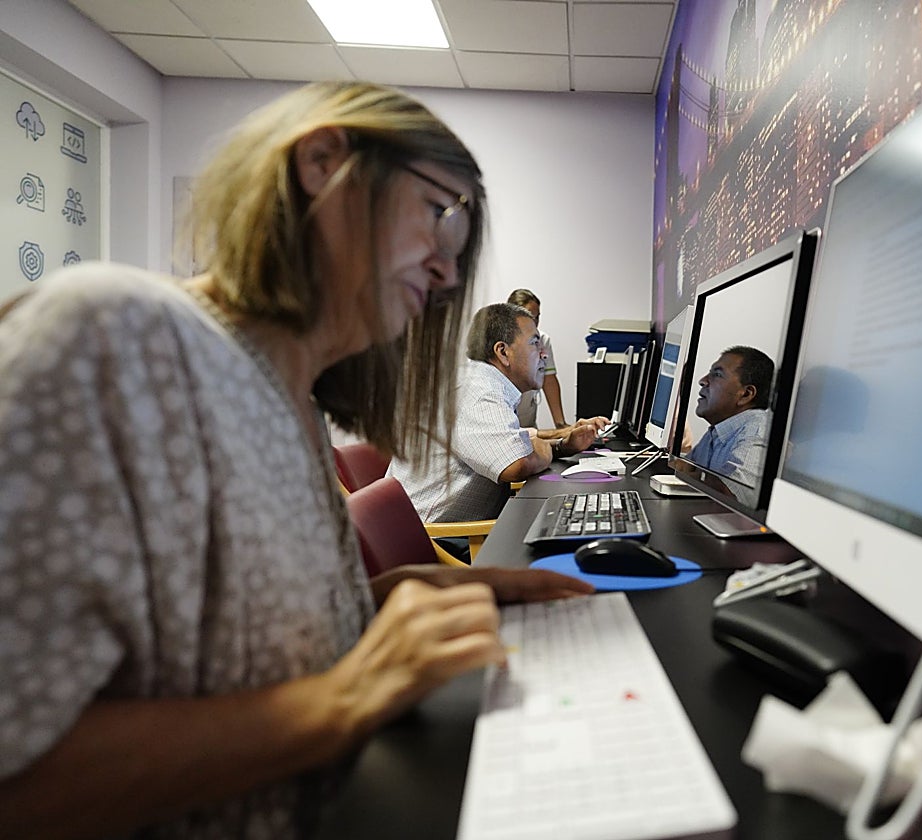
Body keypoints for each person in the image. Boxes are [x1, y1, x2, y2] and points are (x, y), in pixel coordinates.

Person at [0, 81, 593, 840]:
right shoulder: (108, 335)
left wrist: (395, 595)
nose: (446, 275)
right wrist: (345, 700)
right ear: (322, 164)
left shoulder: (290, 399)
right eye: (438, 217)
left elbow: (231, 649)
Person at [389, 302, 608, 523]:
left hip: (435, 528)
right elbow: (516, 463)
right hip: (430, 537)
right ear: (503, 352)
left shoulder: (481, 380)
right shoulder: (479, 390)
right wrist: (544, 449)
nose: (544, 355)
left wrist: (562, 445)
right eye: (535, 344)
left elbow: (512, 440)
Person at [688, 346, 775, 500]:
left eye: (717, 375)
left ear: (746, 394)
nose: (703, 381)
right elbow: (686, 467)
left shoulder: (758, 430)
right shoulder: (717, 431)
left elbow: (729, 494)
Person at [506, 288, 569, 429]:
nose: (534, 322)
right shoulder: (499, 343)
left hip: (528, 424)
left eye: (537, 317)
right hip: (503, 427)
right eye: (530, 317)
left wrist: (560, 424)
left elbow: (549, 380)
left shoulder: (542, 340)